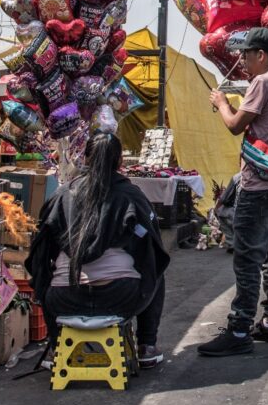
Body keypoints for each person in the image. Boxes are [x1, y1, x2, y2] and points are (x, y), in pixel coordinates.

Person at [27, 133, 170, 368]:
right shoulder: (131, 196)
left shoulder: (62, 194)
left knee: (47, 273)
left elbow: (42, 253)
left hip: (64, 299)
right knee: (157, 268)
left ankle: (55, 348)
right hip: (121, 296)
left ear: (85, 158)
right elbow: (151, 248)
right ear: (120, 161)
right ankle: (147, 346)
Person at [198, 27, 268, 357]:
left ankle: (239, 327)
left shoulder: (262, 82)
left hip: (258, 185)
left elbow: (235, 125)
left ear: (261, 55)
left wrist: (222, 102)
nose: (242, 61)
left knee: (247, 258)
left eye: (247, 55)